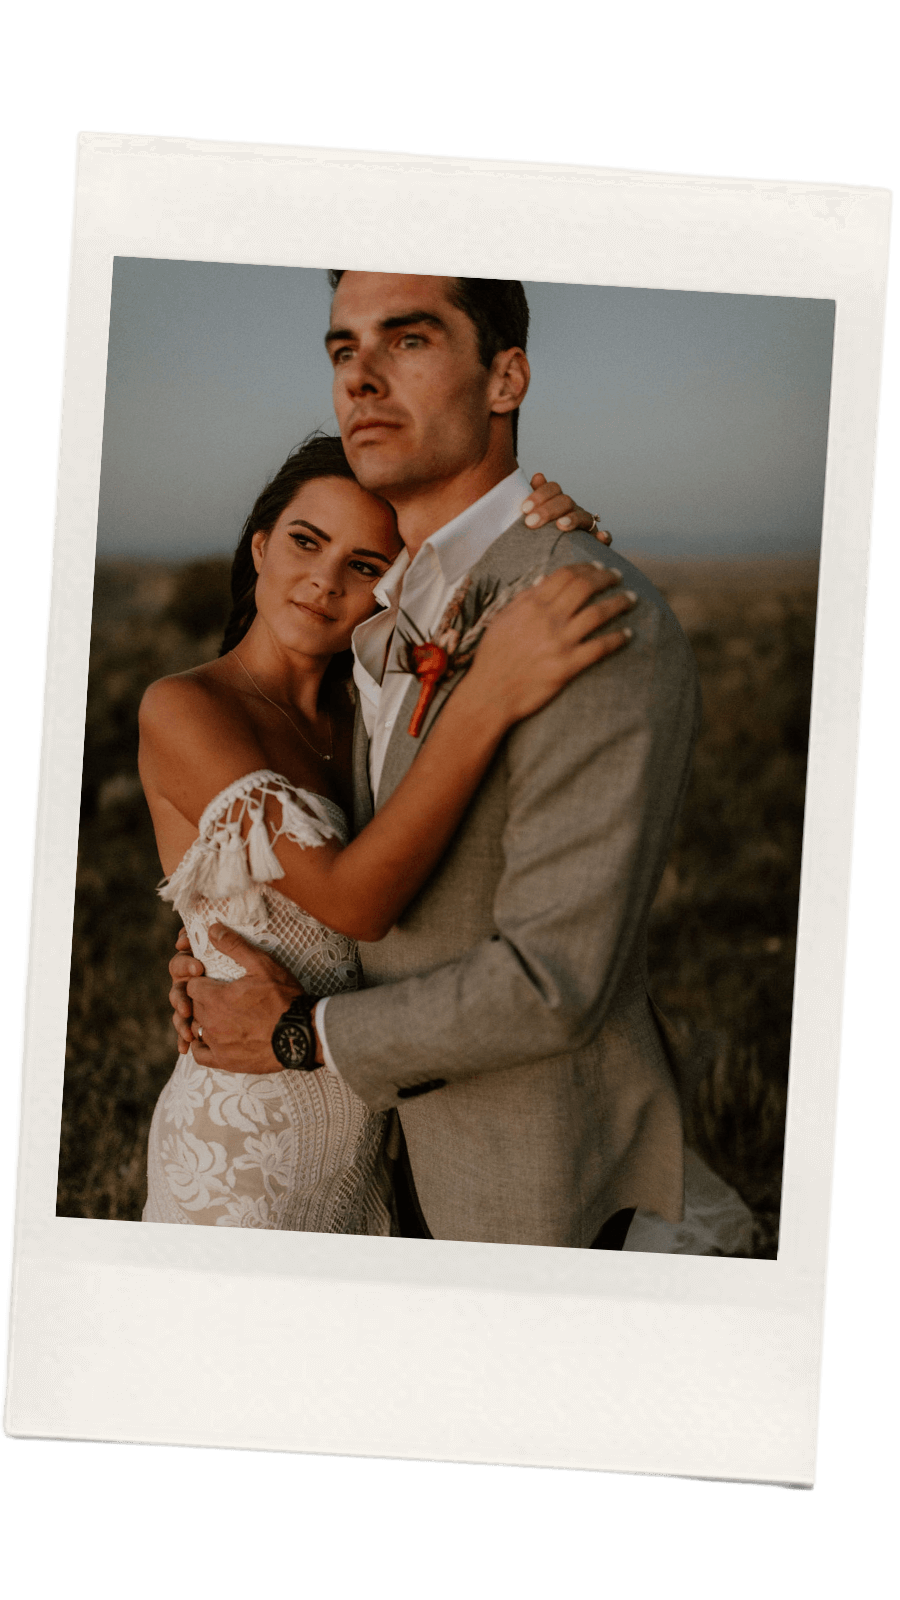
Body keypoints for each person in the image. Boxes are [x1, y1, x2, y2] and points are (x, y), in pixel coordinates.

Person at [170, 272, 702, 1250]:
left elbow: (552, 981)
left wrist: (295, 1030)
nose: (361, 376)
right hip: (373, 1152)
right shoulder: (385, 615)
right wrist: (217, 951)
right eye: (343, 349)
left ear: (506, 379)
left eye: (408, 340)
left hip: (524, 1180)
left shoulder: (581, 615)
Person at [142, 431, 630, 1229]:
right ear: (260, 547)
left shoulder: (376, 710)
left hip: (377, 1149)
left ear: (393, 586)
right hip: (241, 1157)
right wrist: (487, 700)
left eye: (364, 565)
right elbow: (355, 904)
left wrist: (546, 531)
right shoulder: (187, 707)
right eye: (306, 541)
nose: (324, 580)